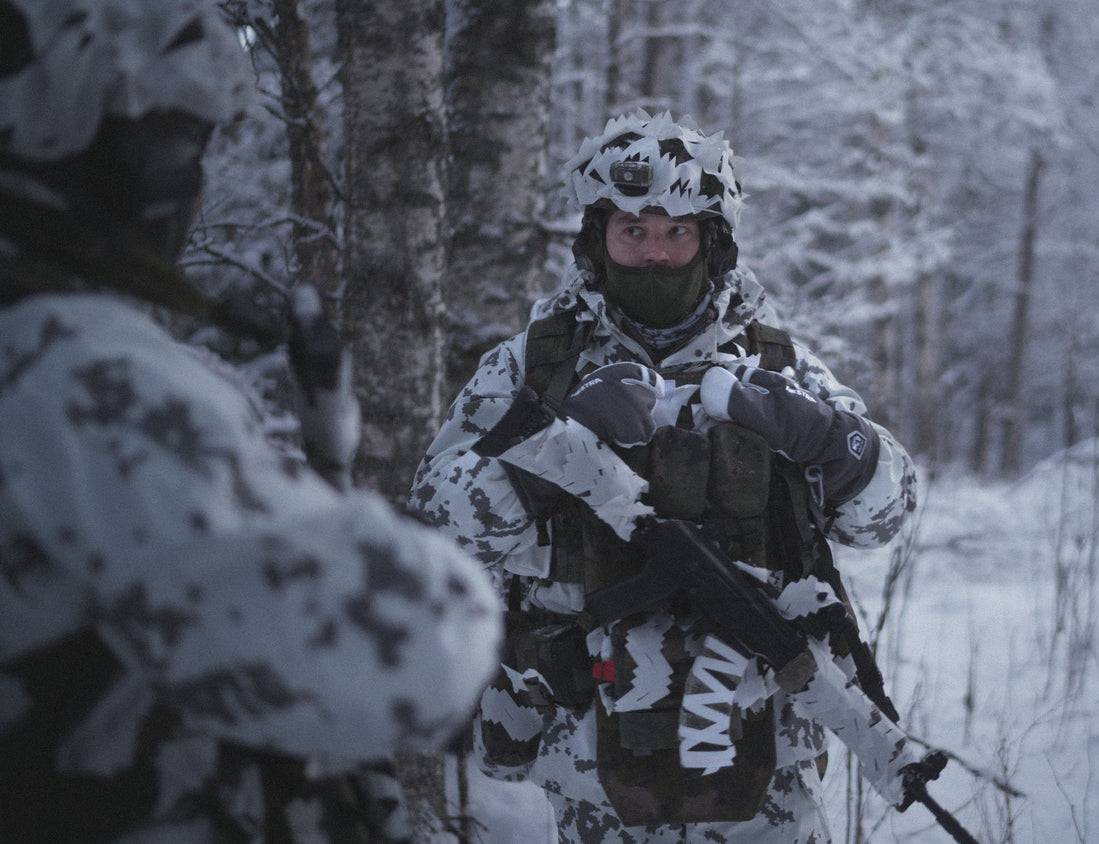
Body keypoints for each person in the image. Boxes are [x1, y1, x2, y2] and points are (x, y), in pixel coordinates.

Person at [0, 1, 502, 840]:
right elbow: (412, 655)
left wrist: (325, 466)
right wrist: (440, 571)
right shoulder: (74, 365)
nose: (192, 188)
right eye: (172, 143)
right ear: (61, 135)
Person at [410, 110, 934, 843]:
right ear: (599, 239)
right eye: (634, 232)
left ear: (711, 241)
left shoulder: (779, 366)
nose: (655, 255)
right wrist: (555, 452)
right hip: (588, 769)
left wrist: (828, 439)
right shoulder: (534, 368)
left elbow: (886, 516)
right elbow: (432, 534)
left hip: (767, 772)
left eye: (676, 233)